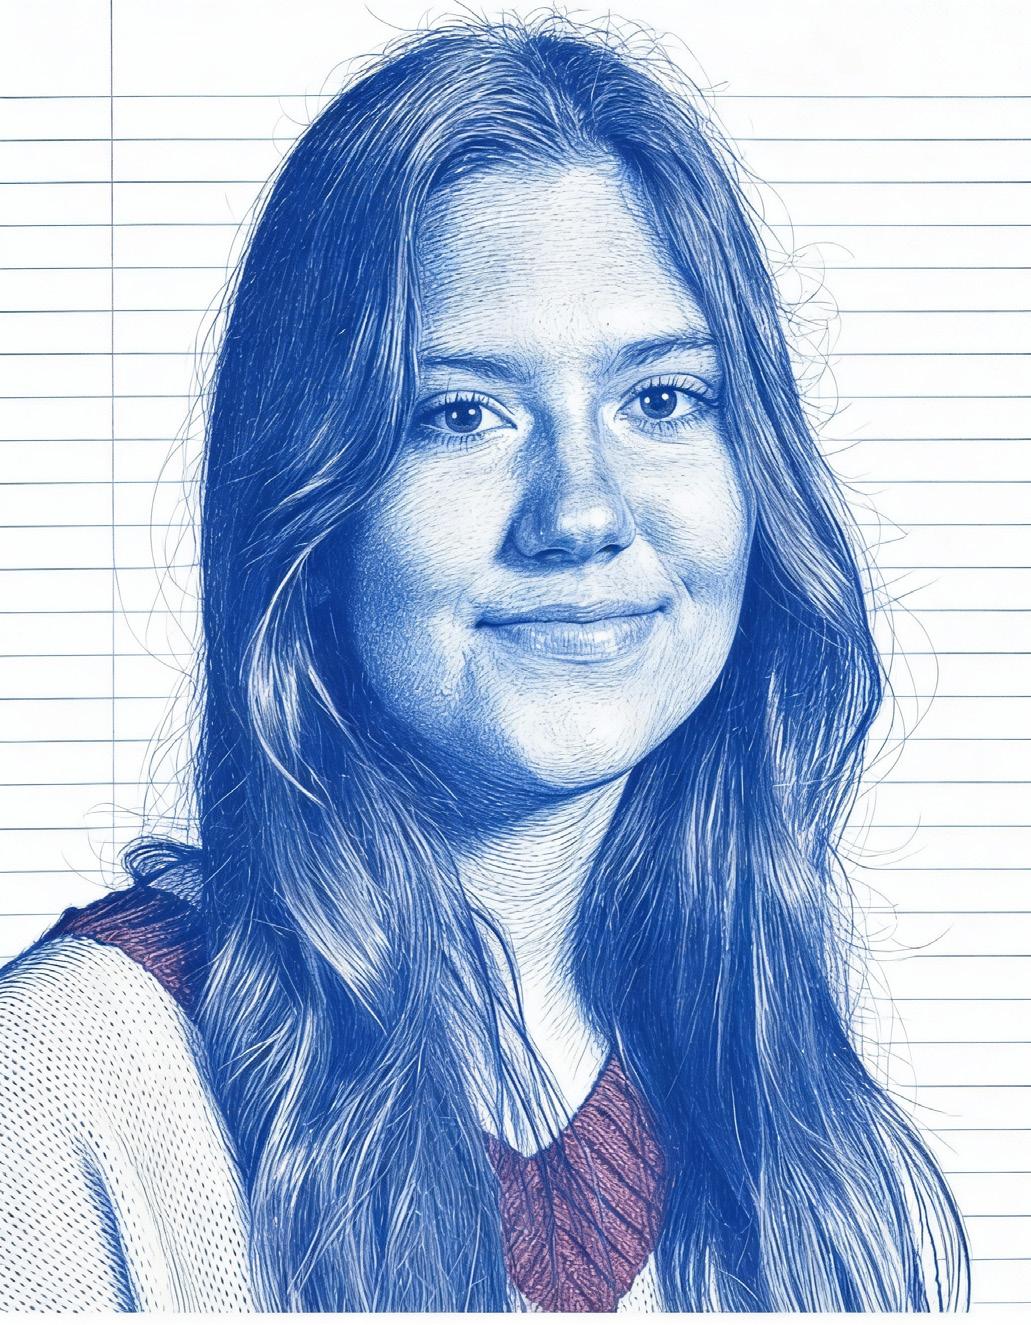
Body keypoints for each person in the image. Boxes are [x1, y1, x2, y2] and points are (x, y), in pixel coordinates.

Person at [0, 13, 969, 1313]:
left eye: (661, 399)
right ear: (311, 519)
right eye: (463, 414)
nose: (582, 511)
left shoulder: (788, 1110)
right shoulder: (63, 1087)